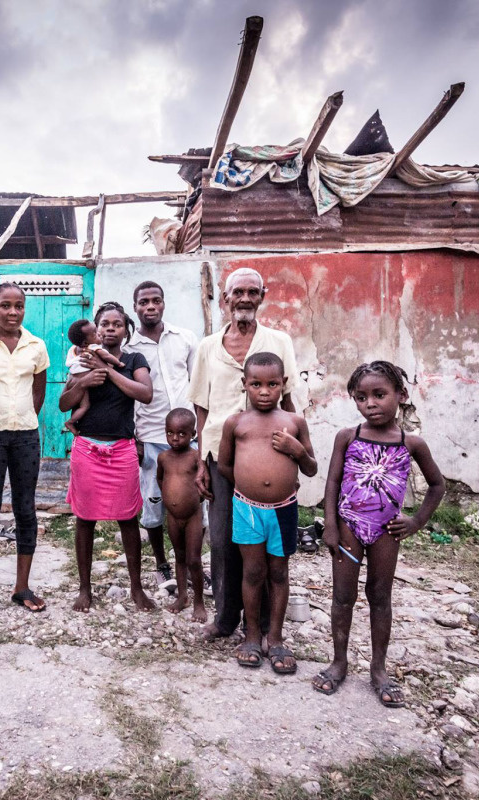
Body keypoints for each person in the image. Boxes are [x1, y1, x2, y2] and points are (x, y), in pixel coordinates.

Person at [313, 362, 445, 708]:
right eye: (361, 397)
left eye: (379, 394)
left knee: (380, 596)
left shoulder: (411, 443)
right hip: (348, 527)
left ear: (401, 396)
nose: (370, 403)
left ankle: (379, 669)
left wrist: (416, 522)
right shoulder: (349, 436)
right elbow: (332, 482)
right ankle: (339, 662)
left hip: (386, 531)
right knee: (342, 596)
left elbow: (437, 485)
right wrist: (329, 523)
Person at [188, 268, 299, 640]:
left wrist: (293, 457)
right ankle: (225, 619)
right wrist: (202, 461)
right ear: (225, 298)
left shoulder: (279, 341)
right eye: (238, 292)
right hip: (222, 458)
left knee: (267, 544)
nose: (246, 298)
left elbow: (290, 400)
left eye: (253, 291)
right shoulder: (207, 347)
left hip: (267, 456)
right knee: (222, 540)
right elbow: (201, 408)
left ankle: (267, 624)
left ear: (262, 296)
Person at [218, 353, 317, 672]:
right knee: (252, 572)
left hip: (284, 510)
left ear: (283, 384)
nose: (264, 391)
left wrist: (297, 451)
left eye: (272, 384)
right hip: (247, 508)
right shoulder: (236, 423)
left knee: (279, 572)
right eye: (256, 384)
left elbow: (311, 468)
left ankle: (275, 638)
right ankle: (251, 635)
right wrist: (249, 488)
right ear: (244, 384)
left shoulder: (294, 423)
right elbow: (224, 465)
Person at [59, 301, 155, 613]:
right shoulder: (81, 360)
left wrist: (110, 371)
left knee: (128, 518)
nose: (110, 328)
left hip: (123, 449)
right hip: (87, 448)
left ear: (127, 329)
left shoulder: (135, 359)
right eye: (105, 323)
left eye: (117, 323)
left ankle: (136, 589)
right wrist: (85, 381)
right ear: (95, 329)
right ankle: (84, 588)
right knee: (85, 518)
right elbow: (64, 404)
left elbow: (145, 393)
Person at [0, 282, 50, 617]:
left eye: (19, 306)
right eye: (5, 305)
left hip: (26, 437)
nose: (12, 312)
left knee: (25, 510)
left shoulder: (36, 346)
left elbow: (39, 392)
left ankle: (22, 587)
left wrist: (23, 418)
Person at [126, 281, 199, 591]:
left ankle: (192, 564)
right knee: (154, 504)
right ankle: (162, 564)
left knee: (193, 504)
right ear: (136, 307)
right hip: (152, 436)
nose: (150, 306)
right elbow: (126, 399)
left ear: (164, 304)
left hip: (189, 437)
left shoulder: (185, 338)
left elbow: (197, 385)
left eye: (156, 300)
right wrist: (137, 440)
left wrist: (201, 436)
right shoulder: (129, 349)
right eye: (144, 302)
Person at [157, 408, 207, 622]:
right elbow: (160, 479)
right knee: (179, 556)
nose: (175, 438)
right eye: (170, 433)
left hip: (192, 516)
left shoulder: (196, 457)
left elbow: (204, 481)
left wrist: (193, 499)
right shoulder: (163, 457)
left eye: (181, 434)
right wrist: (171, 498)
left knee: (194, 559)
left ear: (193, 434)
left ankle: (199, 602)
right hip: (173, 516)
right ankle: (182, 597)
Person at [64, 319, 123, 434]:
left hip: (76, 379)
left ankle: (70, 422)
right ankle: (70, 422)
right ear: (85, 343)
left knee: (83, 406)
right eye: (95, 333)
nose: (99, 334)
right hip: (85, 381)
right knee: (85, 406)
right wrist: (118, 363)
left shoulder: (73, 350)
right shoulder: (93, 348)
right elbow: (107, 357)